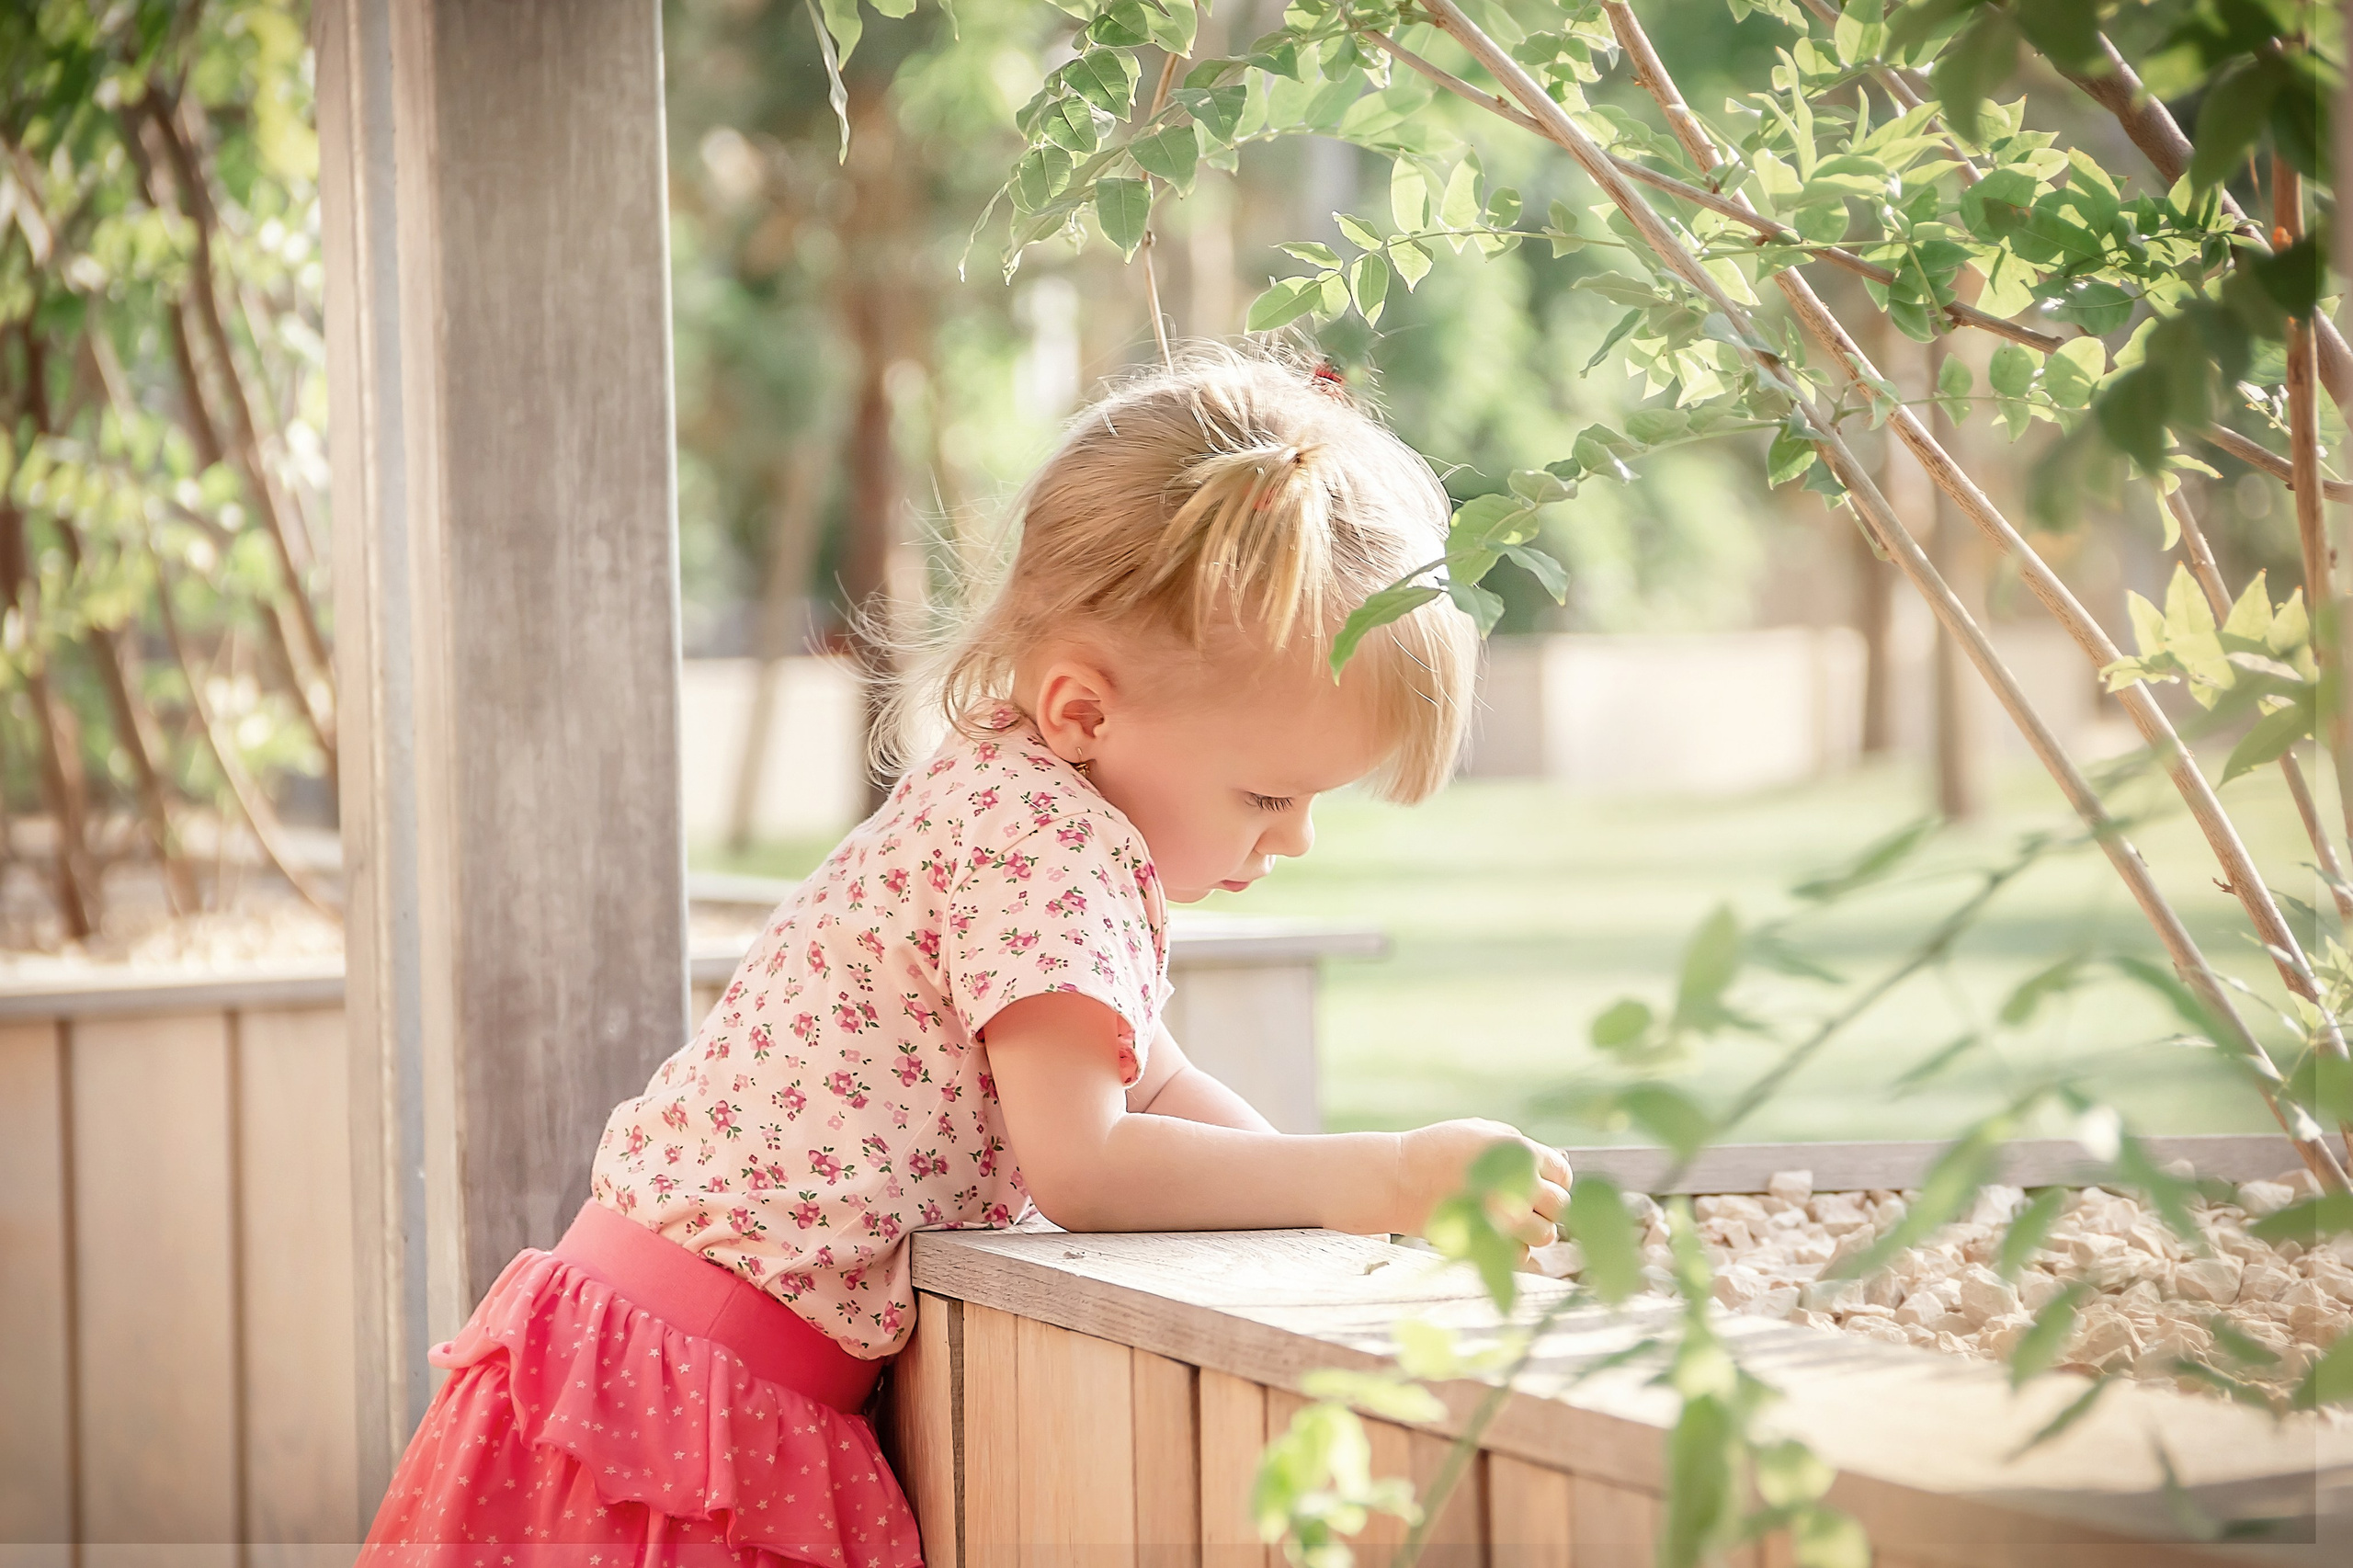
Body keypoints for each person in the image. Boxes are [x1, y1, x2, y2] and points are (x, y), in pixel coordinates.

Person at [359, 346, 1574, 1565]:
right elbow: (1088, 1165)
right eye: (1268, 793)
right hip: (681, 1423)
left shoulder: (1022, 797)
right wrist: (1373, 1175)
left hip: (675, 1378)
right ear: (1083, 710)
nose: (1297, 836)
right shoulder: (1041, 838)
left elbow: (1147, 1079)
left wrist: (1332, 1218)